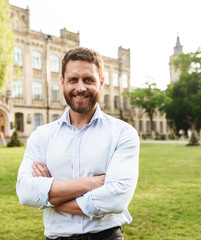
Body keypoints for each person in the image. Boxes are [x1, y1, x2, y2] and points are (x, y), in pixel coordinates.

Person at [16, 47, 139, 240]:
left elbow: (117, 199)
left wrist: (49, 196)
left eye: (88, 80)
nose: (80, 87)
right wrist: (95, 182)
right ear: (62, 82)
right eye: (73, 79)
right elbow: (25, 192)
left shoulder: (123, 133)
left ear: (101, 82)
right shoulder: (41, 136)